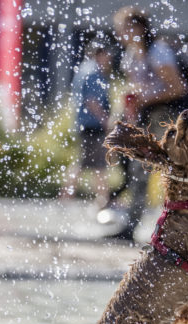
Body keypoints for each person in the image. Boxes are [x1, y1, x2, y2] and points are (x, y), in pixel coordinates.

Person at [108, 6, 188, 242]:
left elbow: (177, 88)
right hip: (145, 117)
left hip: (165, 118)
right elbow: (137, 88)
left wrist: (144, 98)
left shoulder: (158, 53)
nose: (120, 34)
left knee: (172, 174)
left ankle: (180, 229)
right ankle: (131, 226)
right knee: (138, 171)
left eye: (124, 28)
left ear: (139, 28)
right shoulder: (131, 55)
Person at [62, 45, 112, 206]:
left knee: (90, 162)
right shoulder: (93, 73)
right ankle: (100, 199)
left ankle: (101, 197)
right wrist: (106, 121)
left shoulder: (85, 69)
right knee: (93, 163)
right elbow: (92, 101)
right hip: (93, 124)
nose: (109, 59)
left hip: (86, 124)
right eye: (107, 54)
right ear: (100, 54)